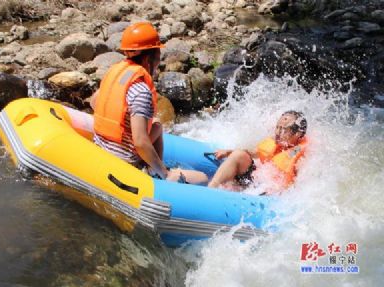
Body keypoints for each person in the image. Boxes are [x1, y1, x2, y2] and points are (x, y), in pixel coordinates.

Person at [92, 22, 207, 184]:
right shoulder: (141, 91)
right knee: (203, 178)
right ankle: (156, 174)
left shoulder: (115, 72)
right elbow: (140, 141)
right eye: (158, 54)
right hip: (124, 162)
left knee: (157, 126)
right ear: (148, 58)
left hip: (101, 148)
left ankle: (153, 168)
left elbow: (94, 102)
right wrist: (165, 173)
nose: (159, 61)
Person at [208, 111, 308, 193]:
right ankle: (210, 190)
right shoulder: (276, 142)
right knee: (239, 154)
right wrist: (228, 152)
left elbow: (298, 185)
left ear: (297, 134)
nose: (277, 132)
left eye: (283, 129)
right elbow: (252, 153)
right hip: (256, 181)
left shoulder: (300, 153)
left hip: (272, 191)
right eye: (277, 127)